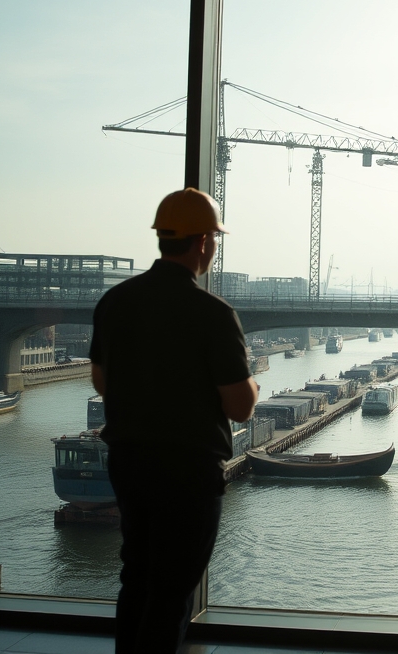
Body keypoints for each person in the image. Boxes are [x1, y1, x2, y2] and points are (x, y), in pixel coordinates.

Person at [90, 188, 258, 654]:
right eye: (216, 239)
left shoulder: (116, 301)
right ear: (203, 241)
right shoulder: (214, 315)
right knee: (172, 590)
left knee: (137, 578)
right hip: (188, 472)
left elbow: (102, 380)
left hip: (128, 464)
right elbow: (241, 407)